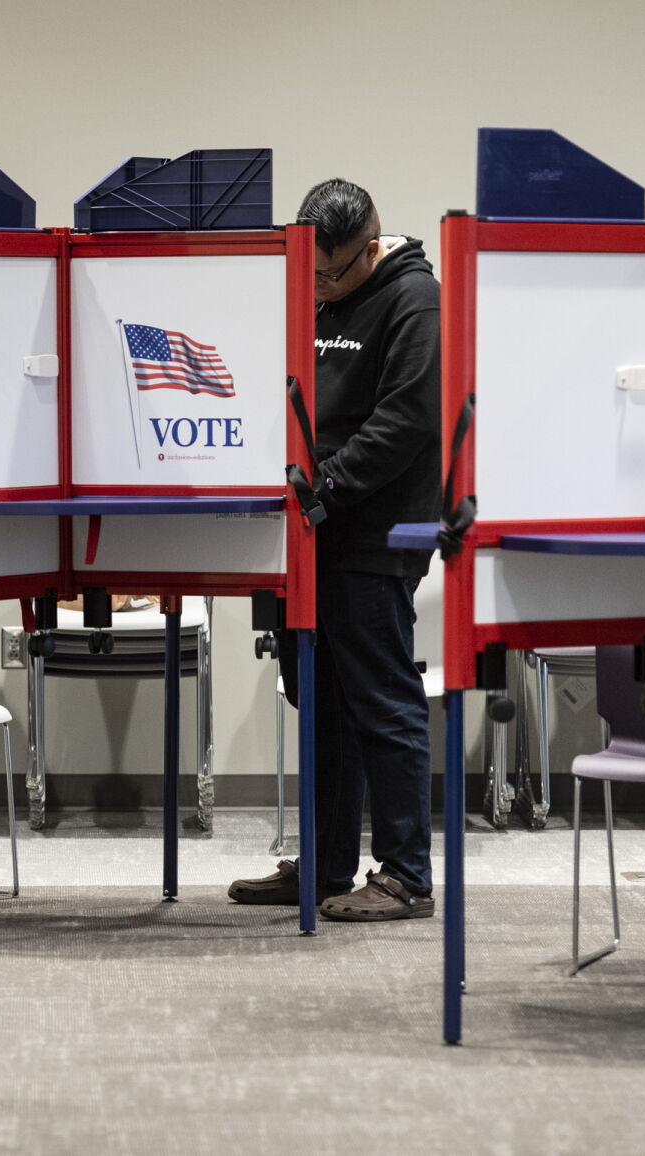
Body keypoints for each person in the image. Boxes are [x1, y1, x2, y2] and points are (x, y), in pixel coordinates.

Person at [228, 179, 440, 922]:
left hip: (372, 534)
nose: (318, 286)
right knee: (318, 700)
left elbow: (408, 418)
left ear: (370, 247)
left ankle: (408, 874)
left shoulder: (416, 300)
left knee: (381, 702)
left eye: (332, 272)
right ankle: (324, 864)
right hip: (307, 530)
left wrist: (327, 489)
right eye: (309, 272)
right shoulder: (314, 294)